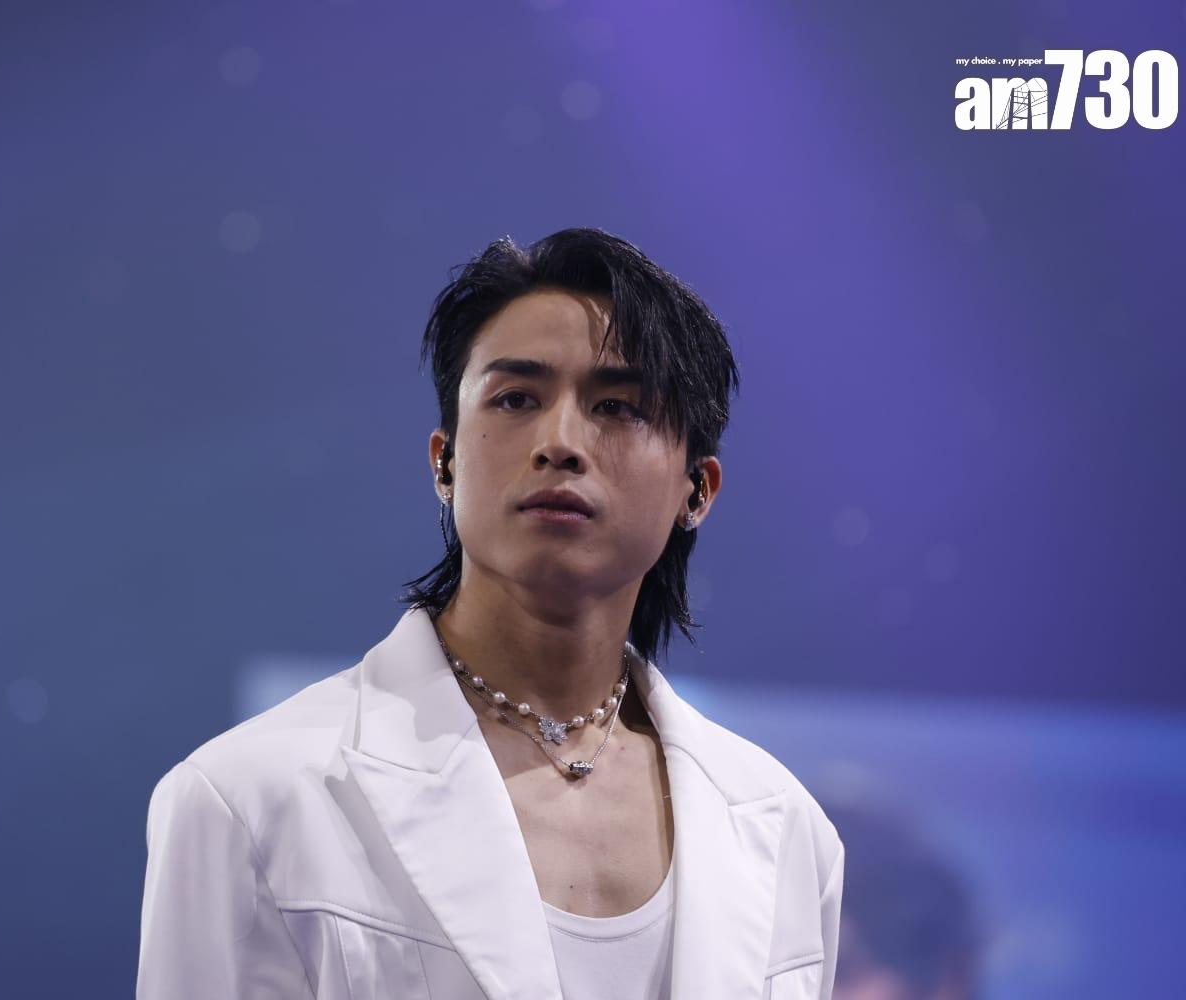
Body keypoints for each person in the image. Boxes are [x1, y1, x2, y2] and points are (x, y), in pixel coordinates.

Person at [136, 227, 844, 999]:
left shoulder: (787, 832)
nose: (560, 442)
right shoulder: (249, 797)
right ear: (444, 461)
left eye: (616, 406)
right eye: (516, 399)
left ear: (696, 490)